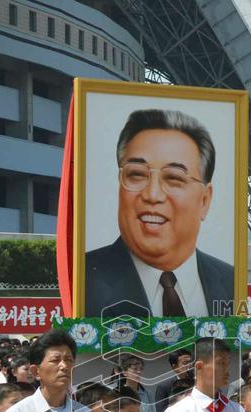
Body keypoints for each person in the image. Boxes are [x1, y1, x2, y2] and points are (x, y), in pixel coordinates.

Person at [85, 109, 235, 318]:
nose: (152, 195)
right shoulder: (85, 279)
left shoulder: (231, 282)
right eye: (136, 174)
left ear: (204, 200)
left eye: (174, 178)